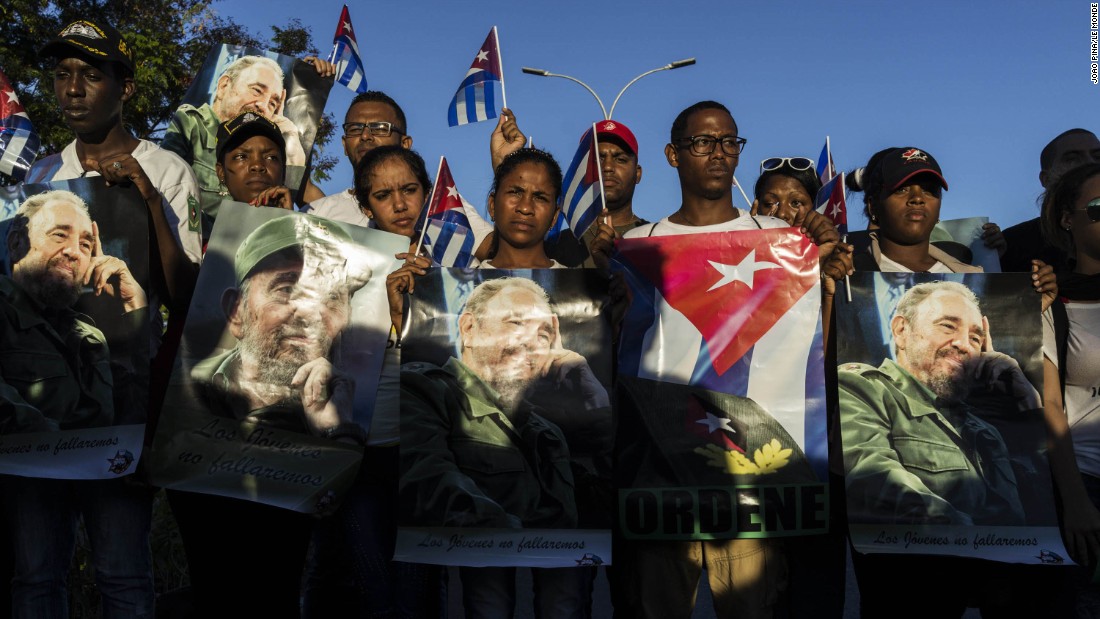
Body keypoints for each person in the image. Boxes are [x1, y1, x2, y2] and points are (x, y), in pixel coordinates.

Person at [606, 101, 844, 619]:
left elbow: (807, 344)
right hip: (661, 474)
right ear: (673, 154)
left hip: (748, 480)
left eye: (729, 142)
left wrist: (821, 259)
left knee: (752, 609)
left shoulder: (780, 242)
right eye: (702, 142)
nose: (718, 153)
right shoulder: (638, 246)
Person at [401, 276, 608, 618]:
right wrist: (518, 538)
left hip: (562, 561)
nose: (531, 341)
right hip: (489, 551)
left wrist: (596, 402)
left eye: (543, 333)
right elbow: (428, 480)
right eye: (515, 322)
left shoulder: (546, 427)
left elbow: (596, 498)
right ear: (468, 328)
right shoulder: (425, 390)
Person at [300, 143, 445, 618]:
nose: (400, 204)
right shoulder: (345, 267)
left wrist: (415, 310)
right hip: (361, 453)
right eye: (384, 195)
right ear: (365, 207)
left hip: (423, 458)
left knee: (415, 592)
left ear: (428, 192)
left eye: (410, 190)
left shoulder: (449, 264)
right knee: (373, 589)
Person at [1, 190, 152, 617]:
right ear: (16, 242)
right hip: (33, 477)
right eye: (59, 235)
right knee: (37, 582)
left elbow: (137, 401)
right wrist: (64, 449)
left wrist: (135, 308)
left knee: (128, 582)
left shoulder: (92, 334)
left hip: (109, 471)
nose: (75, 251)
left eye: (86, 244)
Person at [30, 18, 201, 309]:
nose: (73, 89)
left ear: (126, 89)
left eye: (91, 76)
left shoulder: (168, 171)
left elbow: (184, 298)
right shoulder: (41, 173)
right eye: (62, 74)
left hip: (135, 353)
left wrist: (150, 200)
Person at [840, 280, 1033, 525]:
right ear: (901, 331)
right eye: (948, 326)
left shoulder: (986, 431)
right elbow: (872, 476)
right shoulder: (863, 389)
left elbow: (1038, 505)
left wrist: (1027, 399)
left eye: (975, 338)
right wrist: (970, 538)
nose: (964, 345)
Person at [189, 214, 370, 438]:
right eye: (286, 288)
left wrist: (338, 431)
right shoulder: (185, 389)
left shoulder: (361, 416)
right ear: (237, 311)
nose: (309, 312)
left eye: (332, 295)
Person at [161, 52, 335, 230]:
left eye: (273, 103)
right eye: (257, 91)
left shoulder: (272, 149)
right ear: (223, 86)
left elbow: (305, 199)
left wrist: (307, 77)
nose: (263, 105)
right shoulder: (191, 123)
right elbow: (162, 183)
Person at [1037, 162, 1100, 612]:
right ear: (1067, 219)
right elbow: (1051, 404)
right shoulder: (1053, 301)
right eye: (1098, 208)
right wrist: (1075, 502)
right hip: (1086, 485)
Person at [549, 120, 649, 267]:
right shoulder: (556, 246)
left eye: (620, 159)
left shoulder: (656, 238)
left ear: (638, 173)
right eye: (596, 159)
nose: (607, 167)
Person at [1002, 128, 1100, 273]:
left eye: (1098, 156)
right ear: (1046, 179)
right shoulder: (1014, 243)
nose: (1090, 163)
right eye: (1072, 158)